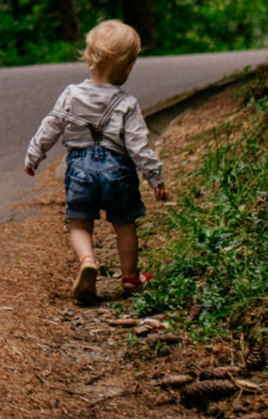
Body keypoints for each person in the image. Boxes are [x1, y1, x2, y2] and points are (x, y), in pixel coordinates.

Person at [21, 19, 169, 304]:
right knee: (124, 224)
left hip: (80, 171)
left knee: (78, 223)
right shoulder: (127, 104)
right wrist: (156, 178)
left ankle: (87, 260)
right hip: (118, 172)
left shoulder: (71, 95)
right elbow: (139, 147)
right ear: (128, 68)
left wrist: (33, 156)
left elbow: (50, 127)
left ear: (88, 58)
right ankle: (130, 278)